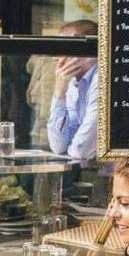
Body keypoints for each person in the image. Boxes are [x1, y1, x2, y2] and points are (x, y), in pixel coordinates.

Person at [46, 19, 98, 160]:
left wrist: (68, 151)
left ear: (85, 51)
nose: (56, 58)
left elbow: (81, 150)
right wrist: (59, 93)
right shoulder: (72, 83)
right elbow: (57, 146)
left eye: (63, 49)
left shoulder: (102, 78)